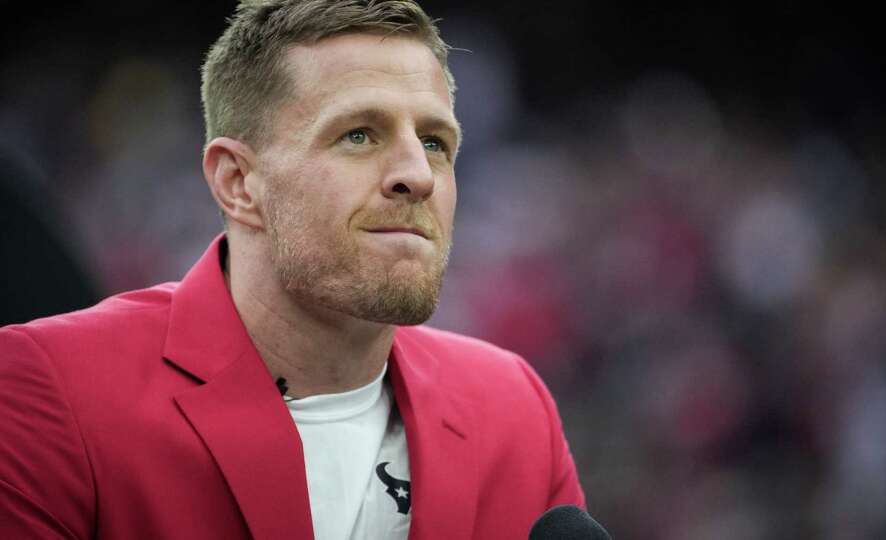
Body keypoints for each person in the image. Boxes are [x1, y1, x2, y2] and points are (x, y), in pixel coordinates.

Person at [0, 1, 585, 539]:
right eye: (359, 134)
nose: (420, 175)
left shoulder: (513, 410)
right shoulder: (50, 389)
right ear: (237, 183)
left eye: (435, 142)